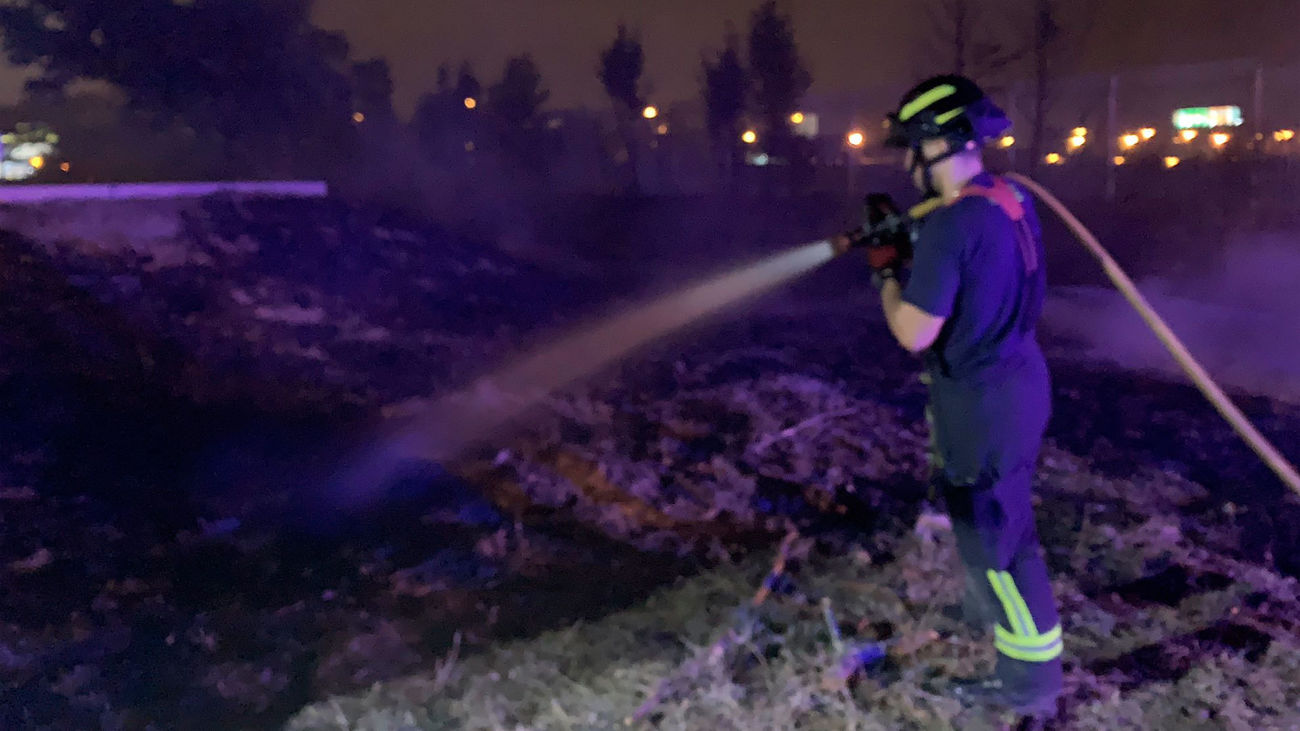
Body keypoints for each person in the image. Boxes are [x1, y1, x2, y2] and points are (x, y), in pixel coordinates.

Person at [832, 75, 1063, 720]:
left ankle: (1030, 688)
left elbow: (913, 331)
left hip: (980, 405)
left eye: (910, 146)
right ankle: (1023, 660)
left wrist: (885, 272)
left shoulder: (950, 227)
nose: (905, 161)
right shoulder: (1009, 199)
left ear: (938, 143)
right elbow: (980, 267)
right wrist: (914, 248)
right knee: (1008, 530)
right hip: (1020, 383)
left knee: (997, 547)